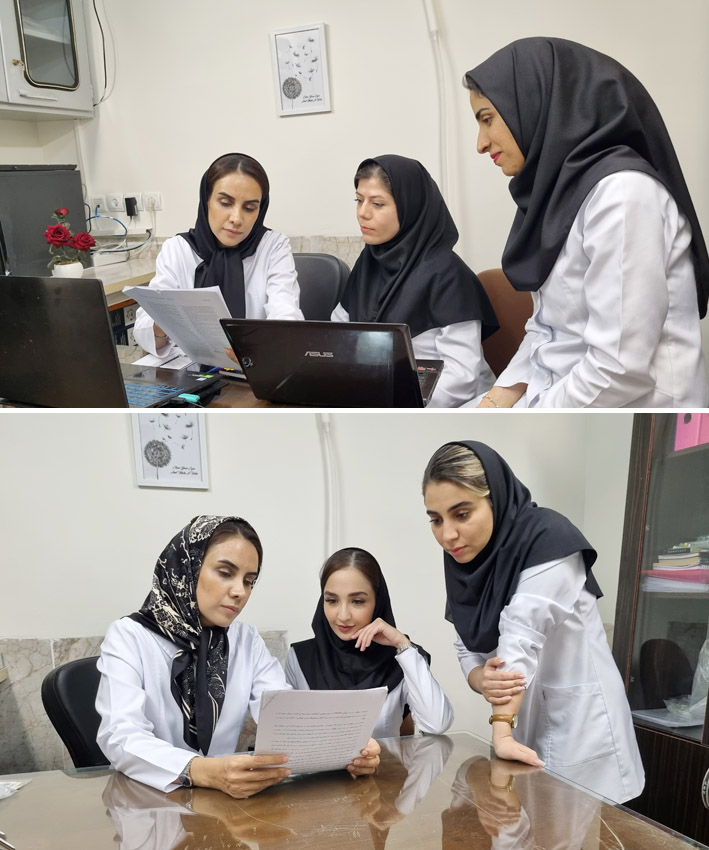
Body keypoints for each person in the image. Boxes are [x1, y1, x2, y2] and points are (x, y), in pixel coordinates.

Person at [462, 37, 709, 408]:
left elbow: (619, 370)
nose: (481, 143)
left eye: (487, 119)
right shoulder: (559, 193)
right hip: (564, 396)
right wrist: (498, 399)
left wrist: (529, 413)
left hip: (630, 409)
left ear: (534, 103)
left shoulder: (622, 195)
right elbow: (546, 330)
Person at [422, 441, 644, 804]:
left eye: (461, 514)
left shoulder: (549, 538)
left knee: (574, 826)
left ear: (495, 499)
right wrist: (480, 679)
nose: (447, 535)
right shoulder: (469, 562)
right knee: (522, 821)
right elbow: (466, 644)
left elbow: (520, 637)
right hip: (519, 717)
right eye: (436, 519)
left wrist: (501, 731)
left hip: (580, 723)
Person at [96, 515, 379, 798]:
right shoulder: (129, 636)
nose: (240, 592)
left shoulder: (246, 640)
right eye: (225, 573)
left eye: (249, 581)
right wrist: (202, 771)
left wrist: (351, 748)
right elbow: (120, 735)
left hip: (224, 804)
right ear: (188, 567)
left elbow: (287, 716)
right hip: (147, 801)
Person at [331, 155, 498, 407]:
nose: (363, 213)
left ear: (410, 206)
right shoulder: (369, 263)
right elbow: (338, 335)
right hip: (378, 396)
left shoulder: (448, 274)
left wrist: (390, 402)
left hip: (448, 405)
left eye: (377, 204)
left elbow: (461, 378)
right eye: (359, 200)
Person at [133, 153, 303, 360]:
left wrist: (262, 347)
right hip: (189, 367)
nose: (236, 218)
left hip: (254, 365)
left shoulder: (273, 247)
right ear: (206, 200)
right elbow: (144, 331)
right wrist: (163, 324)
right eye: (225, 203)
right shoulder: (178, 248)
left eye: (249, 208)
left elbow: (286, 316)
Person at [285, 546, 454, 737]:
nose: (343, 615)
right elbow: (287, 733)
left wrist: (402, 644)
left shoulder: (402, 660)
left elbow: (437, 724)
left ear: (378, 601)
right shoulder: (300, 658)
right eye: (332, 600)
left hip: (384, 758)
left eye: (357, 601)